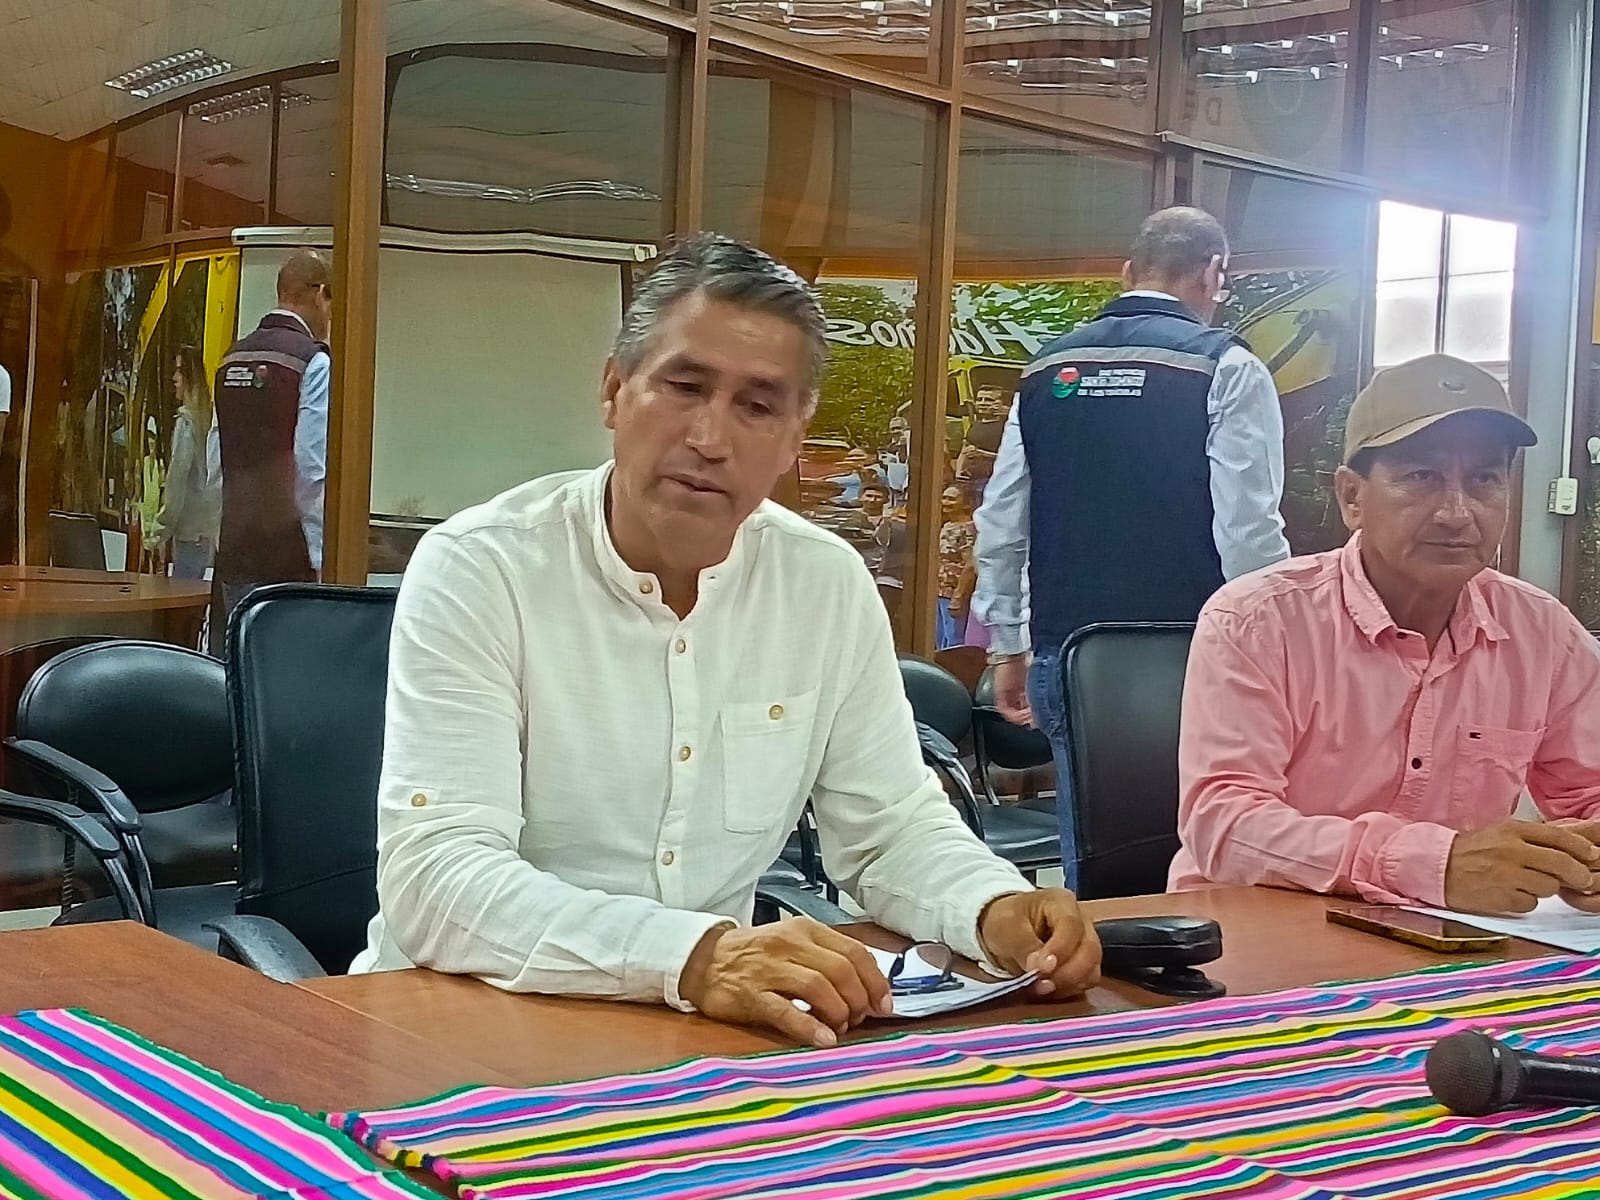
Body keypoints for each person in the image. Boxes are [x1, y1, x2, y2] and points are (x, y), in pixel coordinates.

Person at [352, 233, 1100, 1047]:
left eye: (757, 406)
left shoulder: (823, 583)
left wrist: (991, 906)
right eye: (684, 386)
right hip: (454, 1033)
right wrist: (694, 956)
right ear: (614, 391)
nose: (710, 438)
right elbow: (437, 877)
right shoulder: (483, 568)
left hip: (700, 1044)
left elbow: (889, 830)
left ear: (793, 439)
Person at [1173, 354, 1600, 916]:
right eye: (1422, 477)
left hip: (1453, 941)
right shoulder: (1257, 621)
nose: (1456, 512)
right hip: (1258, 930)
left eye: (1484, 480)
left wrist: (1585, 857)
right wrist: (1431, 864)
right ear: (1352, 497)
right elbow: (1224, 823)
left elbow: (1589, 794)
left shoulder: (1543, 634)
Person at [972, 206, 1291, 890]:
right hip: (1192, 658)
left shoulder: (1046, 370)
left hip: (1069, 654)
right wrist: (1284, 645)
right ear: (1214, 272)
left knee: (1096, 857)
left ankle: (1099, 952)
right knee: (1202, 854)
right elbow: (1247, 532)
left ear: (1127, 272)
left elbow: (1002, 518)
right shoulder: (1226, 367)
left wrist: (1007, 643)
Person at [208, 250, 332, 654]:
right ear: (320, 294)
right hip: (286, 560)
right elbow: (311, 468)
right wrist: (319, 556)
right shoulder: (312, 362)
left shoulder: (231, 358)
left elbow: (216, 460)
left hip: (234, 551)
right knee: (283, 670)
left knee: (237, 667)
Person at [153, 344, 220, 580]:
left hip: (188, 537)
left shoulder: (185, 423)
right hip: (207, 535)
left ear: (190, 378)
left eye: (180, 371)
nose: (174, 378)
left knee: (179, 599)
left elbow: (177, 480)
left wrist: (158, 532)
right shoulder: (209, 421)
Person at [936, 486, 976, 650]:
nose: (946, 502)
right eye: (944, 498)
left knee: (953, 641)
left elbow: (970, 564)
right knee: (940, 640)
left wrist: (958, 596)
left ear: (966, 503)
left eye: (952, 499)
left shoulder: (968, 529)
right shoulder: (947, 525)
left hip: (955, 592)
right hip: (940, 590)